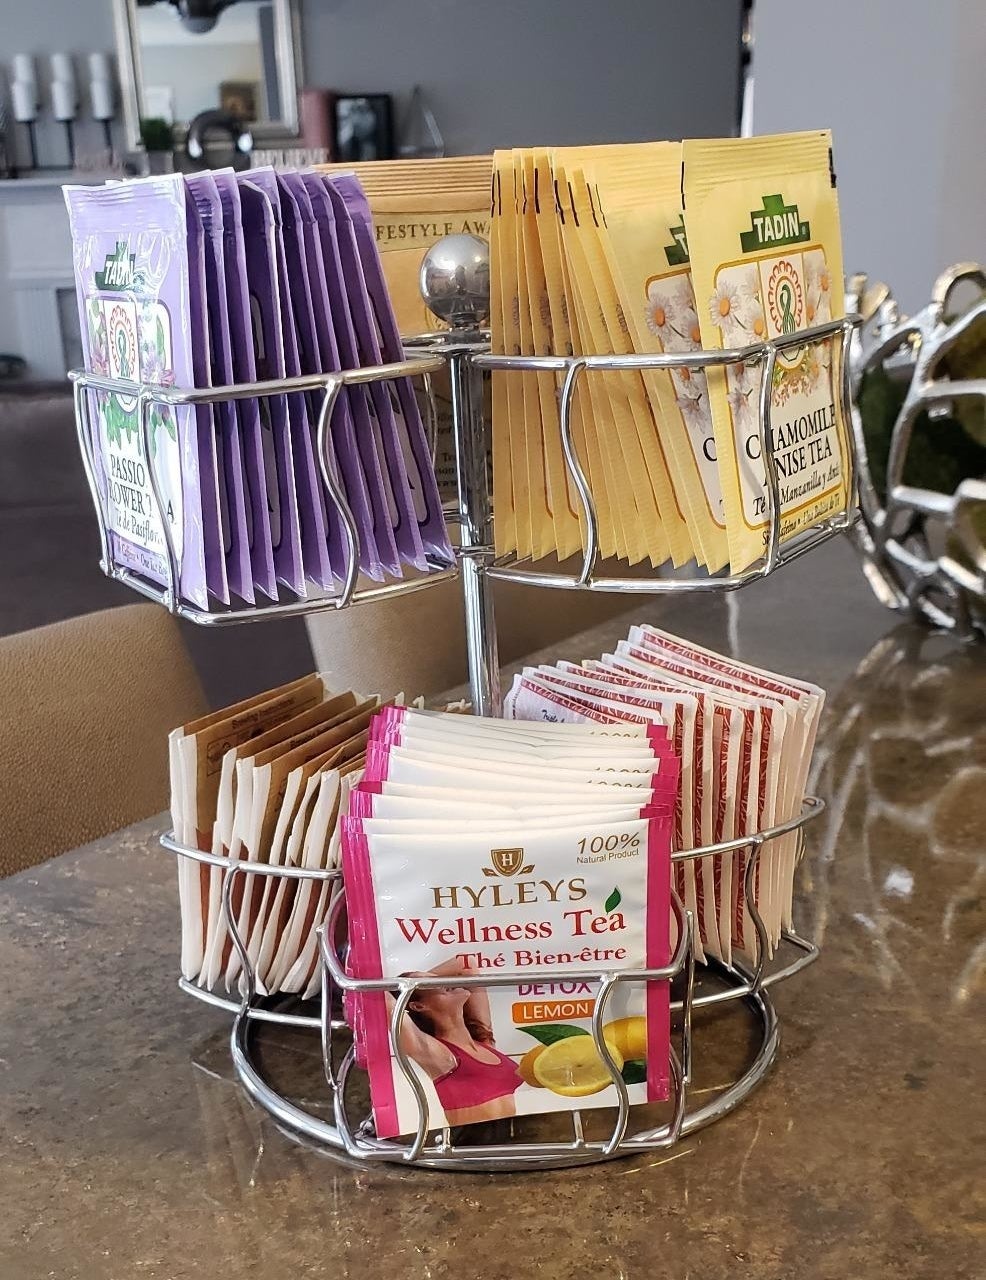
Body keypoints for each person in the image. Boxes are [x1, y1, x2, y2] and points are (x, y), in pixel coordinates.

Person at [388, 957, 521, 1127]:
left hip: (515, 1144)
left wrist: (427, 983)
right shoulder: (439, 1055)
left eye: (434, 978)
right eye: (428, 981)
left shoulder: (483, 1040)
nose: (443, 981)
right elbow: (381, 998)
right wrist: (410, 987)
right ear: (418, 1006)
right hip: (476, 1147)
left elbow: (466, 965)